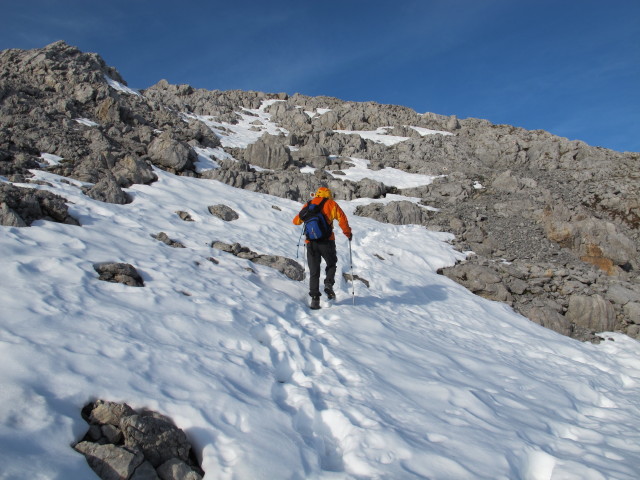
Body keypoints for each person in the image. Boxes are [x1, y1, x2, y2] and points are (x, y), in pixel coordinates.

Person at [293, 187, 352, 309]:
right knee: (331, 264)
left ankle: (315, 300)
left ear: (317, 194)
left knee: (314, 271)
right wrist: (348, 233)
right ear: (328, 195)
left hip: (311, 243)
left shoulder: (309, 204)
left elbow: (296, 221)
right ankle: (328, 284)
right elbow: (343, 220)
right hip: (327, 241)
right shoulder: (332, 204)